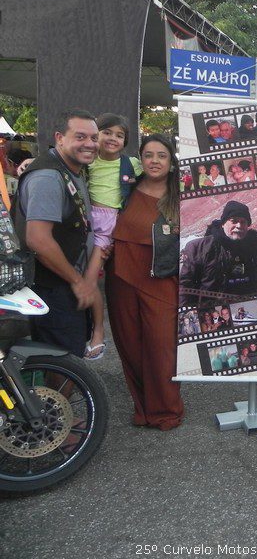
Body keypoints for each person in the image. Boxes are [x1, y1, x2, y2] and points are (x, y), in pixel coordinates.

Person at [106, 133, 184, 430]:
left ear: (171, 161)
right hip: (121, 275)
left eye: (161, 155)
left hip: (162, 279)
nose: (154, 161)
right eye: (149, 155)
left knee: (162, 347)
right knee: (130, 345)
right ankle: (143, 408)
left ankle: (166, 410)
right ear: (141, 159)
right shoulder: (125, 187)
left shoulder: (181, 195)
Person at [14, 109, 99, 358]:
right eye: (80, 137)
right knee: (63, 363)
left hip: (62, 285)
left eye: (94, 138)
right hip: (53, 287)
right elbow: (38, 239)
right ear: (60, 138)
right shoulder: (48, 177)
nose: (90, 144)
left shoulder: (69, 167)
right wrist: (77, 281)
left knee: (66, 358)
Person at [83, 113, 142, 360]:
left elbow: (158, 175)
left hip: (109, 226)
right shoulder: (88, 160)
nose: (112, 138)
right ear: (96, 135)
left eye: (119, 135)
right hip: (86, 221)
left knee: (89, 280)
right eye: (107, 132)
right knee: (79, 275)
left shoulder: (132, 164)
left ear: (125, 141)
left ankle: (98, 332)